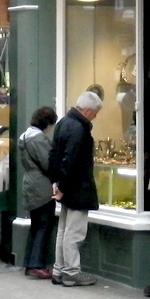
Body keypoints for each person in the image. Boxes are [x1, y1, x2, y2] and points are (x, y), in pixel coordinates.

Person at [50, 91, 102, 287]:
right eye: (95, 112)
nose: (96, 116)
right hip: (77, 187)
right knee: (75, 232)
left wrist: (55, 182)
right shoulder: (80, 129)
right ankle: (71, 271)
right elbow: (71, 161)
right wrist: (62, 186)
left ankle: (58, 269)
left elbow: (55, 155)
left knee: (63, 230)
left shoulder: (63, 123)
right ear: (88, 111)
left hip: (65, 186)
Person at [19, 106, 58, 279]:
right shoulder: (39, 139)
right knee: (43, 225)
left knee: (35, 225)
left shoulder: (25, 137)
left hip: (29, 182)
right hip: (41, 185)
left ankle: (30, 262)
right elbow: (48, 163)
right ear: (47, 123)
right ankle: (36, 264)